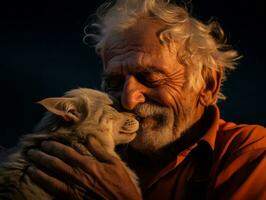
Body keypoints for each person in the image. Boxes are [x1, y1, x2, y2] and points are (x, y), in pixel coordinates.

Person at [25, 0, 266, 199]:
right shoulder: (81, 152)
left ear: (208, 84)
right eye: (115, 83)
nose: (129, 100)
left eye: (150, 78)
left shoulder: (251, 154)